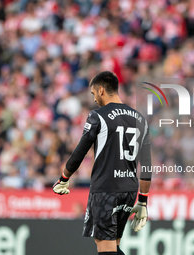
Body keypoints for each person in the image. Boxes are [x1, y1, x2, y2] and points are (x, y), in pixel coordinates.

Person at [53, 71, 152, 255]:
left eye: (93, 94)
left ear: (101, 90)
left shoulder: (98, 116)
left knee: (105, 249)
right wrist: (143, 201)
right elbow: (146, 165)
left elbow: (80, 151)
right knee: (113, 247)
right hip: (129, 191)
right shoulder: (141, 119)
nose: (94, 99)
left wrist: (64, 177)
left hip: (106, 189)